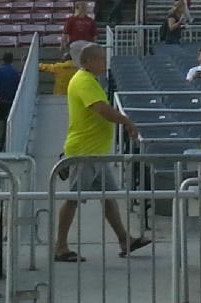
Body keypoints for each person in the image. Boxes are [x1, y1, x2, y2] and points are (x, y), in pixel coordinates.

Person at [52, 44, 148, 263]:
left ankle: (125, 240)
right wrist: (127, 122)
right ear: (89, 61)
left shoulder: (88, 80)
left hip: (96, 152)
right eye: (101, 59)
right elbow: (101, 109)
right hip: (85, 151)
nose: (105, 63)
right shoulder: (84, 81)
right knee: (73, 199)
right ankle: (60, 246)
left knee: (109, 197)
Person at [0, 50, 21, 124]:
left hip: (0, 100)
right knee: (8, 120)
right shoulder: (15, 71)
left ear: (3, 59)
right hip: (11, 99)